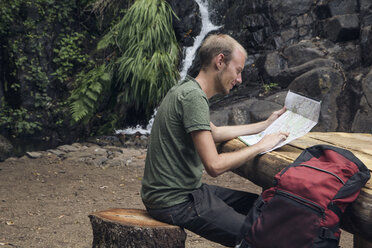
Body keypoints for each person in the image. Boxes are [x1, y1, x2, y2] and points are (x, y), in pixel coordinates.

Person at [141, 34, 289, 247]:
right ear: (220, 61)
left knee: (261, 204)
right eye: (238, 71)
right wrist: (260, 146)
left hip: (183, 192)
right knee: (259, 235)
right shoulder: (193, 98)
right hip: (174, 201)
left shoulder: (185, 90)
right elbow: (214, 165)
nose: (239, 79)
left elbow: (215, 133)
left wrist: (265, 125)